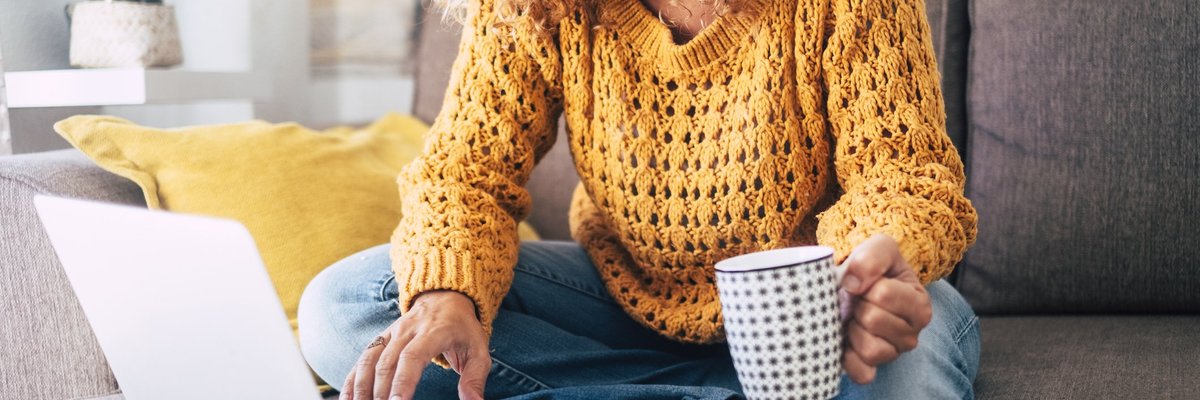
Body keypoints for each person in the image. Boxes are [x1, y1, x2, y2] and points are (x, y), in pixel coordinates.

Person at [298, 0, 981, 398]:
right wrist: (447, 295)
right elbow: (464, 174)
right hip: (624, 303)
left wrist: (867, 272)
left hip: (814, 315)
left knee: (916, 349)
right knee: (348, 306)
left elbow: (904, 175)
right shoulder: (538, 6)